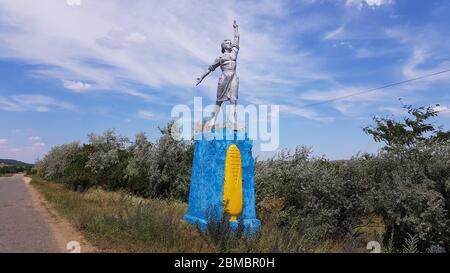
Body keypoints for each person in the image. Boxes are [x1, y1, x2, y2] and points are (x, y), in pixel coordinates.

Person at [196, 20, 240, 130]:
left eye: (230, 42)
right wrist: (201, 77)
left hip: (233, 77)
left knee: (233, 99)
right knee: (219, 100)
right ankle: (212, 120)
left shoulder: (234, 52)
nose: (230, 43)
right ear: (223, 46)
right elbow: (210, 68)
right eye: (227, 42)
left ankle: (231, 120)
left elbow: (237, 38)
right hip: (224, 77)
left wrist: (235, 28)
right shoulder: (220, 58)